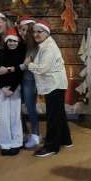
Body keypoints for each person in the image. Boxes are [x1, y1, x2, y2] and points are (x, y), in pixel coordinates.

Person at [25, 21, 72, 158]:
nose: (36, 34)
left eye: (39, 32)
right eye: (34, 32)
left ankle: (51, 147)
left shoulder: (48, 48)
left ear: (46, 33)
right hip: (55, 84)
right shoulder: (45, 45)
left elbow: (43, 68)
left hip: (54, 85)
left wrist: (29, 64)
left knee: (53, 116)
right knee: (59, 114)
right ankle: (65, 139)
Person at [0, 29, 27, 155]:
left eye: (15, 41)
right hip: (2, 89)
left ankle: (17, 142)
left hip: (14, 89)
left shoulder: (20, 55)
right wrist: (2, 88)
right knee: (4, 117)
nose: (12, 43)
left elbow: (19, 74)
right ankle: (5, 144)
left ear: (18, 42)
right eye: (10, 41)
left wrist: (12, 89)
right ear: (6, 42)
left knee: (15, 116)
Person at [17, 17, 40, 149]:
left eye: (24, 30)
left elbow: (28, 64)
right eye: (21, 30)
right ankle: (24, 132)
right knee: (18, 107)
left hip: (30, 80)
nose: (22, 33)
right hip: (23, 79)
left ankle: (35, 135)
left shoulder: (35, 46)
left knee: (31, 107)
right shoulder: (25, 44)